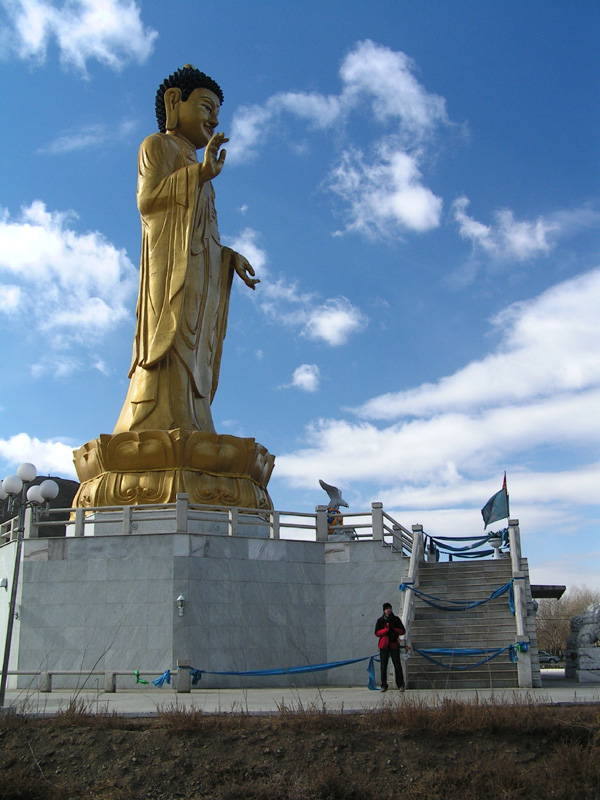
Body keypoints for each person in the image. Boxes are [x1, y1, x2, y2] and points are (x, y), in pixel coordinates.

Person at [114, 65, 259, 435]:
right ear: (175, 101)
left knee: (194, 352)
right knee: (170, 342)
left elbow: (200, 234)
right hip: (168, 281)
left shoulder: (202, 167)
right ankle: (153, 423)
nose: (214, 118)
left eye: (217, 112)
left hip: (197, 280)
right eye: (207, 107)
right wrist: (199, 175)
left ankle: (193, 422)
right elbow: (148, 203)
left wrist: (226, 258)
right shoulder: (157, 145)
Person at [375, 602, 406, 692]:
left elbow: (402, 631)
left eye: (389, 608)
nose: (388, 610)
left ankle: (401, 685)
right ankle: (384, 685)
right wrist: (386, 630)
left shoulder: (396, 619)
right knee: (383, 665)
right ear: (384, 610)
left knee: (397, 665)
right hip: (384, 645)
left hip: (394, 644)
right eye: (386, 609)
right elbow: (377, 633)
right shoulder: (380, 620)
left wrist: (394, 629)